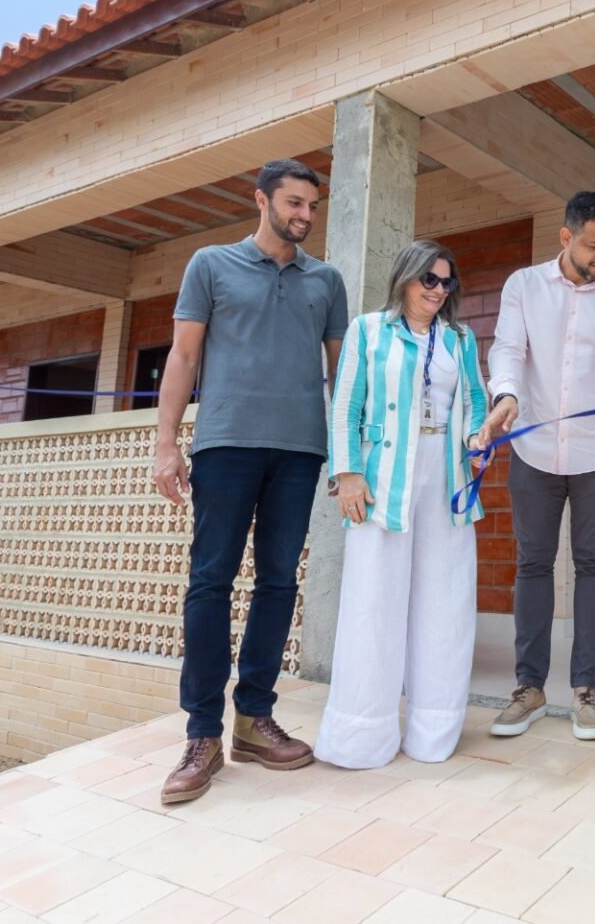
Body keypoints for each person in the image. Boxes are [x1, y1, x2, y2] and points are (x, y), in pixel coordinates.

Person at [152, 158, 348, 804]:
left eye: (311, 207)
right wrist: (165, 445)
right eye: (294, 203)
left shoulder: (326, 280)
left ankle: (255, 719)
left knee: (280, 581)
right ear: (260, 199)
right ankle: (202, 733)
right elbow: (183, 355)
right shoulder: (210, 264)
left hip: (299, 451)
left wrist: (346, 454)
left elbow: (341, 377)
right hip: (226, 444)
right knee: (209, 581)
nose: (304, 215)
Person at [478, 191, 595, 741]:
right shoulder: (523, 286)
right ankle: (528, 689)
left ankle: (586, 691)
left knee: (593, 564)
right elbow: (507, 349)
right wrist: (505, 396)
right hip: (534, 447)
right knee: (532, 563)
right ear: (566, 237)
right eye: (593, 245)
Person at [315, 241, 488, 767]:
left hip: (446, 474)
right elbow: (346, 403)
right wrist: (347, 474)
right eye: (428, 280)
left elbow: (476, 400)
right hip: (383, 476)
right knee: (374, 601)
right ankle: (360, 736)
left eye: (446, 282)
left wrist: (480, 440)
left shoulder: (460, 337)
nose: (438, 290)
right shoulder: (369, 330)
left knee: (446, 602)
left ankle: (434, 730)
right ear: (405, 278)